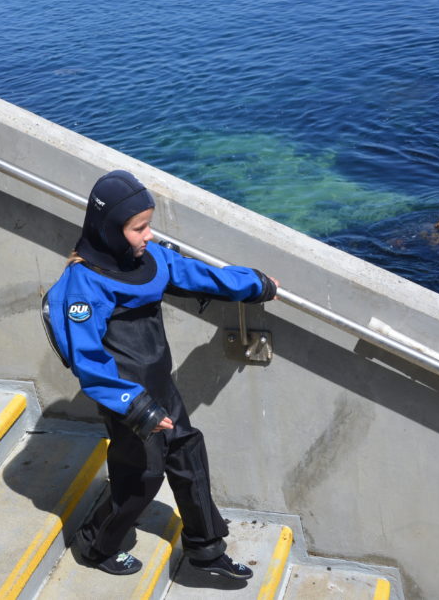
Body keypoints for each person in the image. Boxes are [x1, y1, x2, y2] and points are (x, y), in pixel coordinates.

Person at [43, 170, 278, 579]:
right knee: (142, 477)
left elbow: (198, 275)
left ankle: (205, 549)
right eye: (138, 229)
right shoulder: (83, 283)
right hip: (129, 398)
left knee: (188, 453)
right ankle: (95, 543)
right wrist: (135, 407)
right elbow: (87, 359)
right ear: (109, 230)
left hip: (160, 385)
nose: (148, 236)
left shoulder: (150, 260)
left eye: (148, 226)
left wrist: (254, 284)